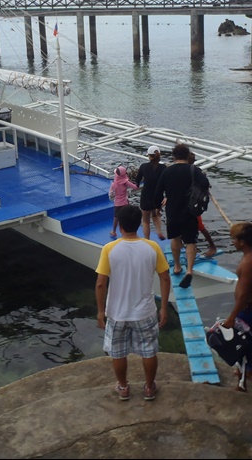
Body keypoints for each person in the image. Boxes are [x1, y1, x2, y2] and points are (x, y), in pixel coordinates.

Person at [95, 205, 171, 401]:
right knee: (149, 350)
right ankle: (149, 388)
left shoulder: (109, 249)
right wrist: (163, 308)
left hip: (117, 312)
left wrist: (100, 312)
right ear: (139, 224)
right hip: (145, 312)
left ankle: (123, 387)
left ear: (119, 225)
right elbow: (165, 278)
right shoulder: (152, 247)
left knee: (118, 353)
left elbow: (101, 284)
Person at [153, 143, 210, 288]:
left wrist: (158, 208)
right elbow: (205, 183)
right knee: (191, 241)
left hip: (172, 211)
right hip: (189, 211)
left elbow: (158, 192)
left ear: (173, 156)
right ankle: (189, 270)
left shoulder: (167, 171)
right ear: (187, 156)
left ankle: (177, 266)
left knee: (175, 239)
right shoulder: (193, 170)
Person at [222, 222, 252, 382]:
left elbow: (243, 295)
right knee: (251, 343)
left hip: (248, 309)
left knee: (240, 344)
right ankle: (251, 371)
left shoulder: (248, 263)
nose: (232, 242)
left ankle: (243, 380)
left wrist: (231, 317)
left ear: (242, 242)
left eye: (234, 239)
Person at [135, 145, 166, 241]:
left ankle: (147, 239)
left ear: (149, 156)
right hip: (158, 195)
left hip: (146, 195)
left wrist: (136, 184)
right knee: (156, 215)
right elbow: (167, 182)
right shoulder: (163, 167)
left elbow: (137, 180)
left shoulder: (144, 167)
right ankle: (159, 231)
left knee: (145, 220)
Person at [188, 152, 216, 258]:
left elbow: (205, 183)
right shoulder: (191, 170)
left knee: (200, 226)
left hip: (193, 204)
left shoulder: (194, 171)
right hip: (188, 203)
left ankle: (212, 246)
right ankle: (183, 243)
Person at [108, 166, 138, 238]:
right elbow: (135, 187)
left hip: (117, 204)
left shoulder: (113, 184)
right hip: (125, 203)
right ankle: (127, 232)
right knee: (126, 218)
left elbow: (111, 194)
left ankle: (114, 231)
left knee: (116, 218)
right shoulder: (125, 182)